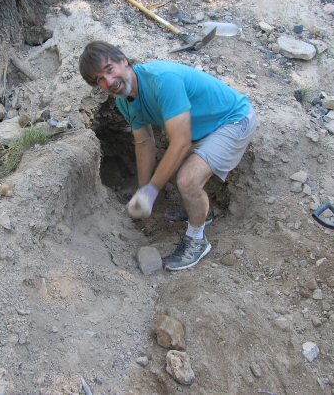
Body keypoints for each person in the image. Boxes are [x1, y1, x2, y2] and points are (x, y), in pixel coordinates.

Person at [79, 41, 257, 271]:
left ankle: (196, 239)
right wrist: (144, 191)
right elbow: (144, 143)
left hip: (233, 121)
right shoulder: (125, 102)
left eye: (109, 70)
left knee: (187, 179)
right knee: (170, 170)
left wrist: (152, 190)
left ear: (124, 61)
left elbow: (181, 142)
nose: (109, 82)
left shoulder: (162, 80)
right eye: (99, 80)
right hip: (202, 130)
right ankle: (203, 213)